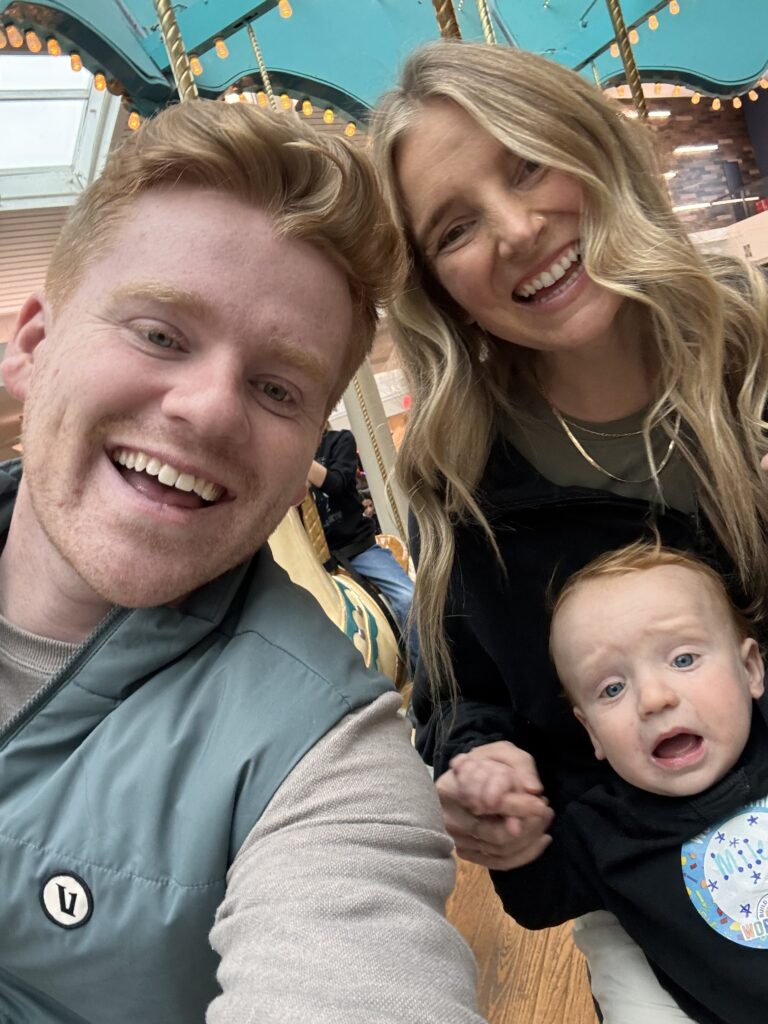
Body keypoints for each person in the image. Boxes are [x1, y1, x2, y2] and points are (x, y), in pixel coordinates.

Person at [0, 98, 487, 1023]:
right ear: (33, 345)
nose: (212, 411)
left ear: (310, 442)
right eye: (159, 333)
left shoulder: (333, 766)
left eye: (276, 387)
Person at [370, 39, 768, 1021]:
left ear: (590, 150)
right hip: (648, 878)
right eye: (457, 226)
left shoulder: (750, 350)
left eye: (528, 164)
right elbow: (467, 690)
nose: (514, 230)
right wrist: (481, 765)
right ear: (435, 283)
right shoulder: (464, 473)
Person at [454, 541, 768, 1024]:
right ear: (591, 732)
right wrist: (506, 818)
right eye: (613, 689)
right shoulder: (599, 827)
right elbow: (537, 903)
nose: (654, 699)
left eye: (683, 659)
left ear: (750, 669)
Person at [308, 425, 414, 642]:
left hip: (357, 548)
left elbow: (337, 484)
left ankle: (426, 671)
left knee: (409, 599)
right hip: (313, 560)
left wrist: (297, 457)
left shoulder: (339, 440)